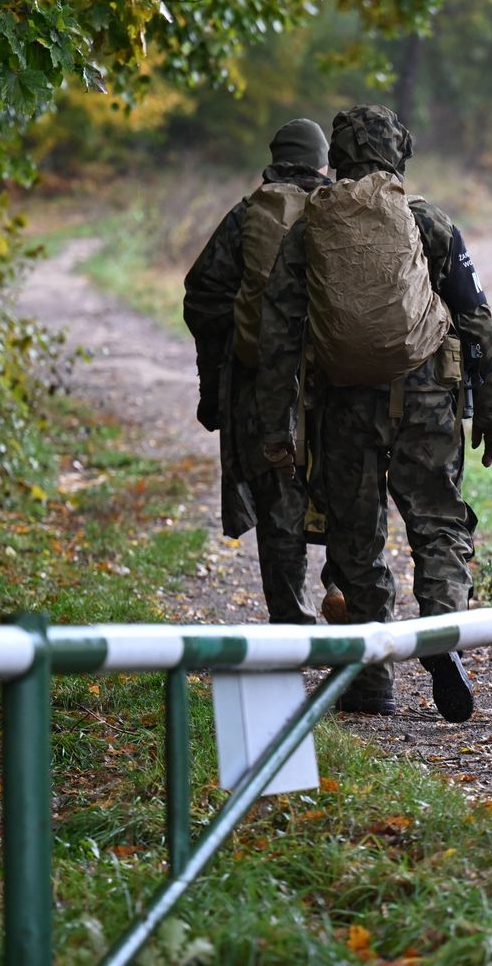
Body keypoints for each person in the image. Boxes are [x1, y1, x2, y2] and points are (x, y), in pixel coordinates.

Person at [256, 105, 492, 721]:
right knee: (438, 524)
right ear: (398, 156)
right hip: (426, 398)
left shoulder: (311, 227)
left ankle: (373, 683)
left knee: (356, 536)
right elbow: (476, 318)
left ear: (336, 159)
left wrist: (273, 424)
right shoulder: (426, 221)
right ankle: (443, 632)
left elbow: (278, 335)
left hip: (345, 403)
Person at [182, 118, 343, 625]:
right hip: (343, 385)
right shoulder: (347, 210)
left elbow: (202, 296)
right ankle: (348, 600)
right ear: (323, 162)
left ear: (274, 160)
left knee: (279, 509)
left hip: (262, 388)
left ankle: (292, 626)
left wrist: (224, 370)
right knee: (352, 499)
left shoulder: (248, 214)